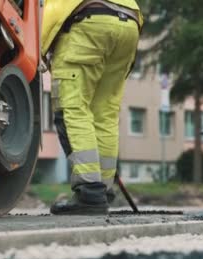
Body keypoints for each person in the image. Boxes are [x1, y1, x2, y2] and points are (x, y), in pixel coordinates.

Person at [41, 0, 142, 215]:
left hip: (88, 23)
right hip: (129, 24)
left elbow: (52, 10)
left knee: (73, 109)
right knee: (104, 114)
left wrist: (37, 49)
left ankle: (89, 192)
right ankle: (102, 191)